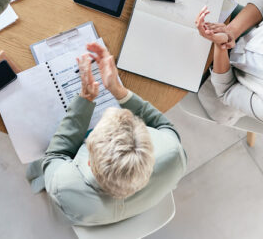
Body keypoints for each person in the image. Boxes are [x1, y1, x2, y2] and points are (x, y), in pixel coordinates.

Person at [28, 42, 187, 226]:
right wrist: (119, 91)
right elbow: (162, 125)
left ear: (89, 161)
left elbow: (55, 155)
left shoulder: (64, 188)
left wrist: (85, 100)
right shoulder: (173, 153)